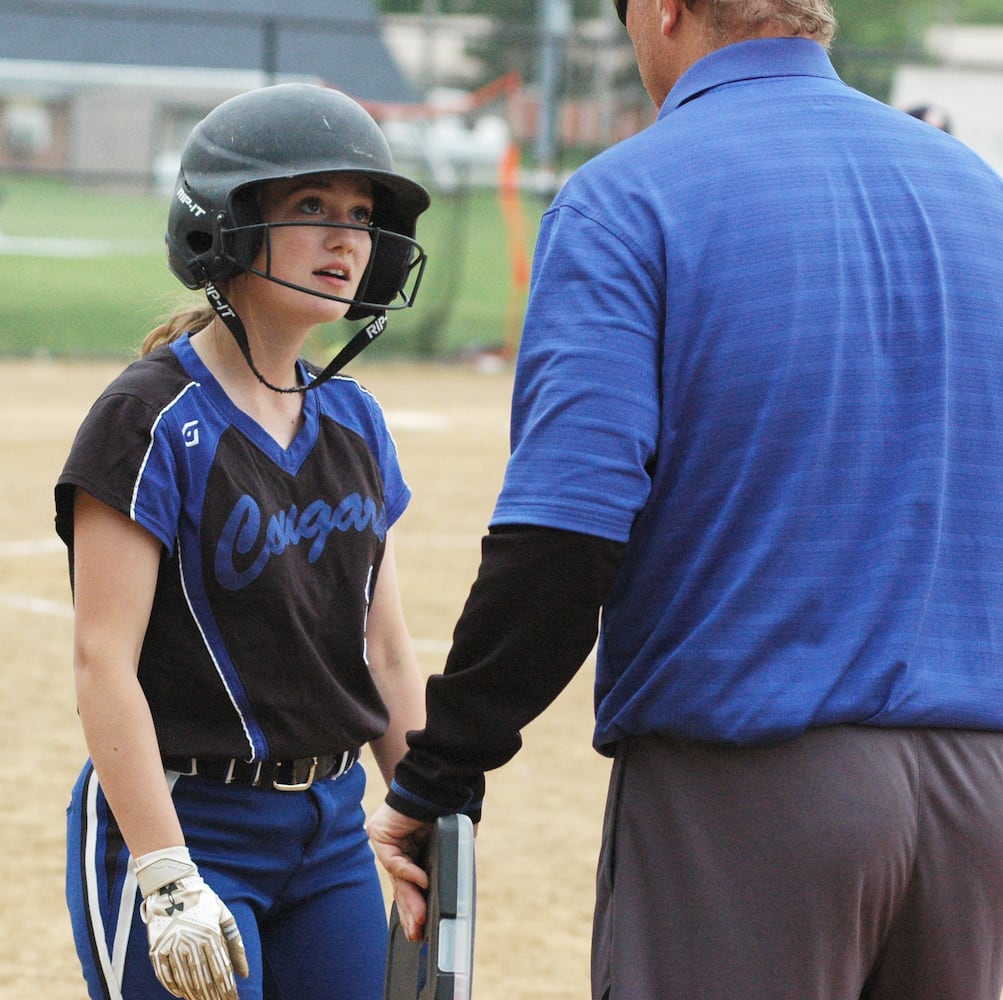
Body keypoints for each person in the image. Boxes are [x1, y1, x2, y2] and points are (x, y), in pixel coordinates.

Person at [366, 1, 1003, 998]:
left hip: (747, 793)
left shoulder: (628, 195)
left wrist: (444, 767)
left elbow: (564, 535)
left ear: (663, 10)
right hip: (981, 799)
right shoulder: (976, 191)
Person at [56, 83, 430, 1000]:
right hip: (187, 825)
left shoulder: (353, 418)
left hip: (332, 831)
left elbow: (381, 646)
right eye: (311, 208)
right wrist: (165, 873)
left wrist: (429, 804)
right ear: (221, 226)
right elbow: (102, 662)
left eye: (359, 215)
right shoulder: (146, 420)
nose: (347, 238)